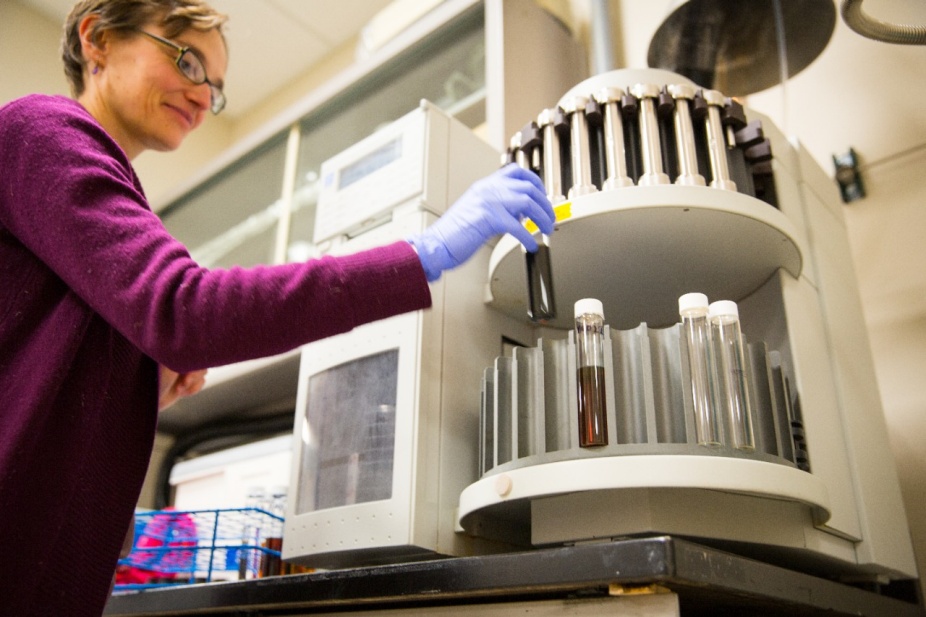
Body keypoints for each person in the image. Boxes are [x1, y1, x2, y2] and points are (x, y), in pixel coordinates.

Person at [0, 1, 555, 615]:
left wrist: (136, 380)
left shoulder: (97, 185)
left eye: (214, 86)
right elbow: (188, 311)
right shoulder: (43, 131)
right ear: (97, 39)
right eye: (188, 61)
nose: (203, 98)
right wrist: (421, 254)